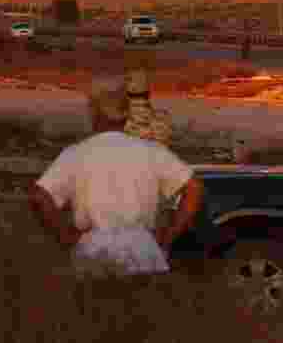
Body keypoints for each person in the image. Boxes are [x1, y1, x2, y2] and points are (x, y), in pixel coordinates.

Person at [29, 91, 204, 277]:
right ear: (126, 115)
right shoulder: (152, 152)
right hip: (143, 251)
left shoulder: (76, 153)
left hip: (92, 249)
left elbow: (40, 196)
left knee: (93, 305)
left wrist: (67, 238)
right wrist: (168, 237)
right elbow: (194, 188)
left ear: (94, 114)